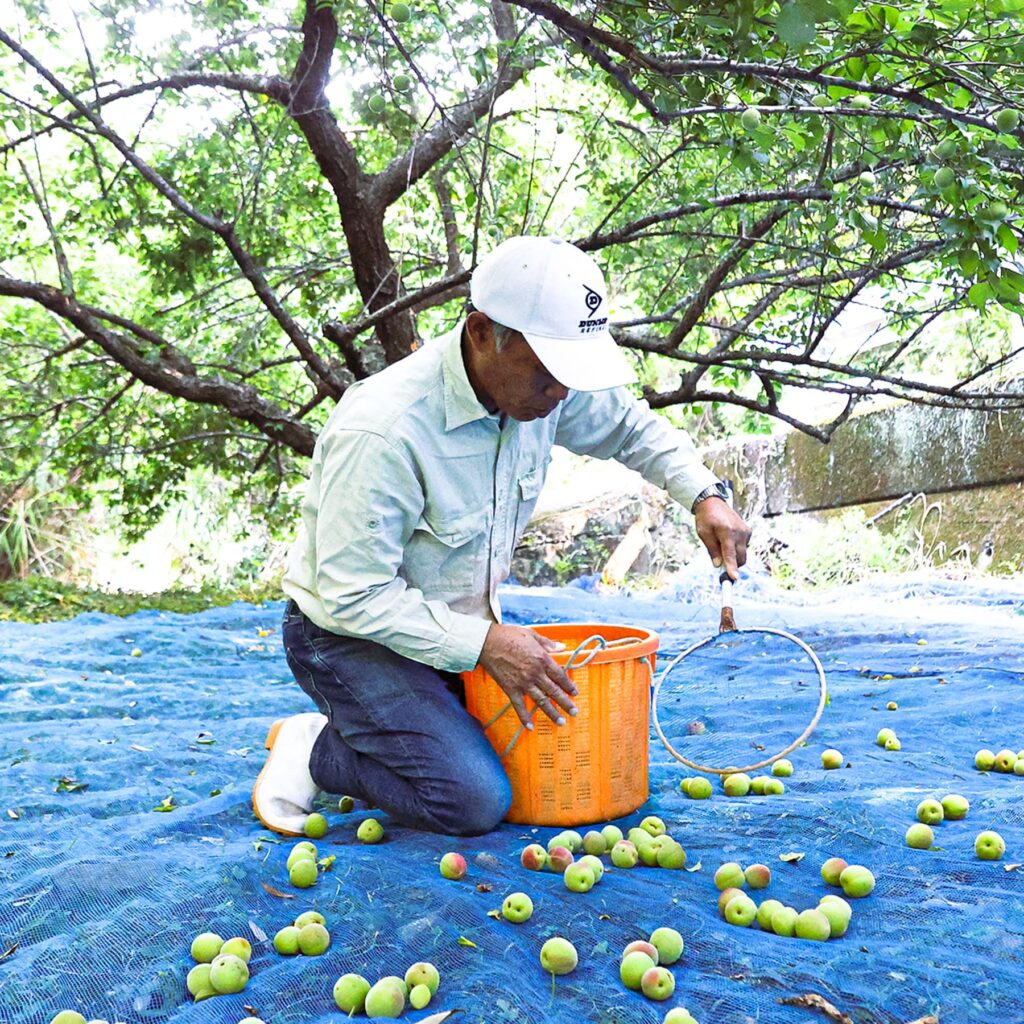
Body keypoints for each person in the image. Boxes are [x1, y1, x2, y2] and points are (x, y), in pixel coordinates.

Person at [252, 236, 751, 838]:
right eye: (549, 377)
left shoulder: (540, 388)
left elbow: (627, 425)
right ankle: (316, 750)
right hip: (344, 637)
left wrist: (706, 495)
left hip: (451, 629)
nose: (562, 395)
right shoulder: (384, 431)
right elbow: (352, 595)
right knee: (474, 798)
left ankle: (402, 725)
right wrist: (487, 644)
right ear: (484, 332)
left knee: (540, 760)